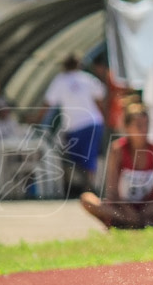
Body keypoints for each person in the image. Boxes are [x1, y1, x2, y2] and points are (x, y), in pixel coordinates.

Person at [80, 103, 153, 229]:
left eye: (146, 125)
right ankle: (128, 221)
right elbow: (112, 191)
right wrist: (126, 209)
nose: (143, 130)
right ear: (127, 128)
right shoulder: (118, 150)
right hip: (123, 207)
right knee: (86, 199)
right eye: (138, 126)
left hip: (149, 207)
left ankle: (138, 221)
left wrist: (152, 207)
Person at [39, 55, 106, 196]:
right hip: (92, 122)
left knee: (77, 156)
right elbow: (100, 99)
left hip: (76, 125)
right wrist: (104, 118)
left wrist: (35, 118)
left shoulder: (60, 80)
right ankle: (87, 186)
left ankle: (87, 187)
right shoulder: (87, 78)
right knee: (87, 155)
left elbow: (48, 103)